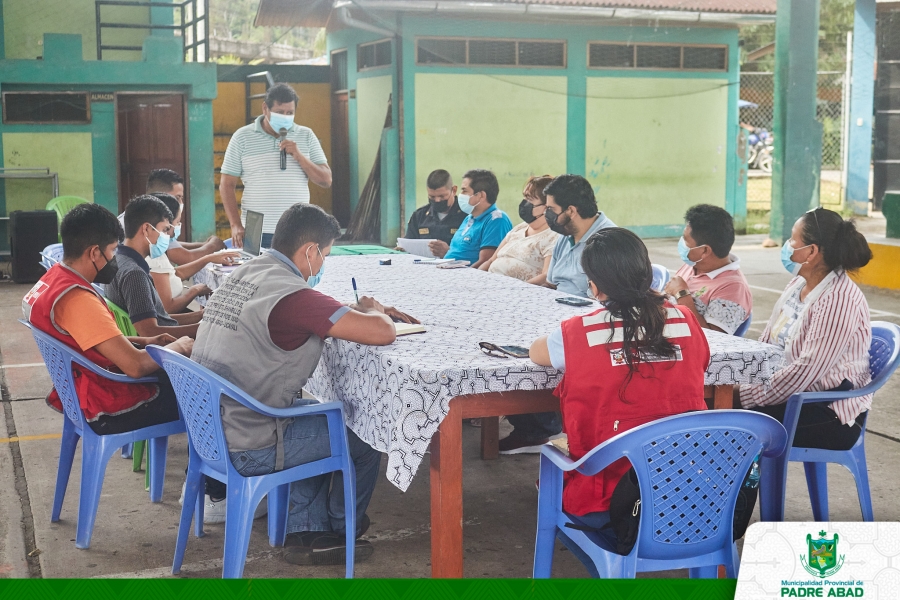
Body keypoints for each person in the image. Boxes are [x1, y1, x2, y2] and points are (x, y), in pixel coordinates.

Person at [192, 203, 418, 566]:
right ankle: (342, 531)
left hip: (211, 429)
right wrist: (372, 308)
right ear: (310, 251)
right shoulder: (295, 296)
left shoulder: (246, 273)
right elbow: (383, 331)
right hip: (250, 442)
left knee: (318, 415)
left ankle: (307, 531)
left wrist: (349, 309)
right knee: (369, 432)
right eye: (325, 255)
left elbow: (302, 310)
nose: (323, 265)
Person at [529, 228, 710, 576]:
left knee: (551, 467)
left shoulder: (577, 332)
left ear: (595, 286)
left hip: (608, 494)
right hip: (690, 487)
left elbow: (537, 352)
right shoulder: (685, 321)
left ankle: (612, 569)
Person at [22, 203, 193, 435]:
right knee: (205, 398)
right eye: (112, 250)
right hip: (107, 404)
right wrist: (179, 346)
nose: (114, 258)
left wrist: (144, 342)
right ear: (94, 252)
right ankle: (209, 470)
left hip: (80, 393)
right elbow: (136, 366)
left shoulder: (53, 279)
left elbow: (89, 341)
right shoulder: (78, 300)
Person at [737, 207, 873, 451]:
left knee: (731, 425)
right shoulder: (799, 282)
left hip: (827, 410)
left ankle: (741, 490)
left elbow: (804, 372)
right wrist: (742, 377)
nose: (788, 245)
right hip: (792, 395)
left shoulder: (837, 300)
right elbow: (768, 341)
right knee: (713, 404)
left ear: (811, 251)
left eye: (792, 239)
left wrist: (745, 394)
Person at [219, 83, 332, 249]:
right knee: (255, 274)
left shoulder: (306, 135)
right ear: (265, 108)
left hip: (297, 229)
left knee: (295, 274)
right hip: (256, 229)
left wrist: (299, 156)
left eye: (290, 113)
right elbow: (226, 185)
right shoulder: (242, 137)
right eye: (280, 113)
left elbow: (326, 180)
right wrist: (235, 224)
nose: (285, 117)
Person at [106, 196, 204, 339]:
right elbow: (150, 332)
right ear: (146, 229)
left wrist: (201, 316)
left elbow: (159, 318)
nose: (166, 237)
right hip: (166, 351)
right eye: (164, 230)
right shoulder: (134, 274)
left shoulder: (117, 260)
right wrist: (205, 330)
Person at [664, 204, 752, 335]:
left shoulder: (733, 288)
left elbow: (712, 338)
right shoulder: (693, 265)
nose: (681, 243)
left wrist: (682, 294)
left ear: (705, 250)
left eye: (686, 240)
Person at [147, 193, 239, 314]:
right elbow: (168, 309)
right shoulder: (154, 256)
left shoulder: (155, 249)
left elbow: (174, 273)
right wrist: (194, 291)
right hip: (169, 320)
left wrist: (208, 258)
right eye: (176, 223)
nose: (175, 230)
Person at [132, 169, 226, 265]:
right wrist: (213, 246)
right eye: (177, 198)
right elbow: (187, 258)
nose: (181, 203)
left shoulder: (142, 211)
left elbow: (170, 245)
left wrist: (203, 245)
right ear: (161, 196)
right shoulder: (151, 220)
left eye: (182, 198)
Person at [544, 174, 617, 297]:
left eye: (551, 209)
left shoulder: (609, 242)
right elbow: (551, 284)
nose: (546, 214)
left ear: (571, 211)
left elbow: (607, 300)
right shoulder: (565, 236)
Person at [479, 175, 559, 283]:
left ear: (546, 206)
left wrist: (518, 289)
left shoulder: (553, 236)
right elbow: (491, 260)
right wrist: (476, 277)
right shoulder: (520, 227)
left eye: (530, 199)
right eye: (525, 198)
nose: (524, 204)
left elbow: (546, 276)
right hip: (491, 283)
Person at [428, 169, 513, 268]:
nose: (460, 195)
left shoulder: (497, 221)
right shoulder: (469, 218)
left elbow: (485, 263)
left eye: (464, 190)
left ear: (481, 195)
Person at [403, 169, 467, 246]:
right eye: (432, 197)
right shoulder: (419, 216)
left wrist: (448, 252)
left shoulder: (467, 215)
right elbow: (409, 243)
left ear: (454, 190)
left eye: (442, 196)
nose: (437, 200)